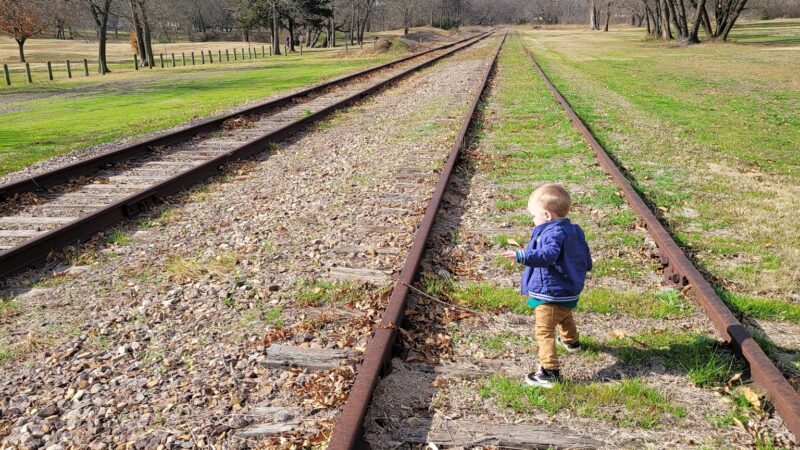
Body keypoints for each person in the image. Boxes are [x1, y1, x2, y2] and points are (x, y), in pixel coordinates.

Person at [502, 183, 592, 388]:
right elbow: (584, 254)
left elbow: (547, 255)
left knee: (544, 331)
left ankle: (550, 371)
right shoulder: (575, 230)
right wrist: (583, 269)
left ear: (547, 215)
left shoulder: (551, 234)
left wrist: (522, 255)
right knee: (564, 313)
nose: (533, 221)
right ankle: (571, 341)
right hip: (569, 288)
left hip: (550, 291)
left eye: (534, 216)